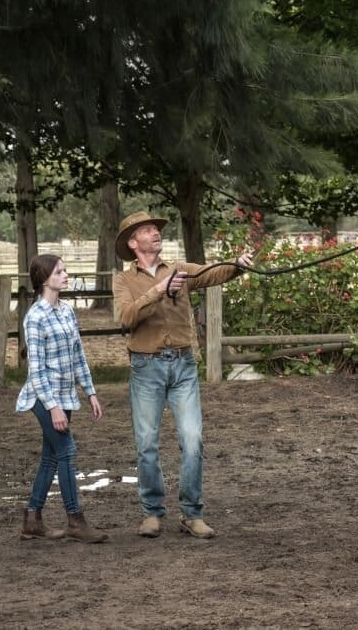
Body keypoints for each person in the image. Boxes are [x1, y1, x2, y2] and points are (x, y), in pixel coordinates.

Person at [112, 211, 253, 539]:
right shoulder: (123, 280)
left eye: (155, 230)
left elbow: (210, 273)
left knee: (193, 440)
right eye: (147, 231)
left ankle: (192, 513)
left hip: (184, 366)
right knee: (147, 443)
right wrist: (159, 289)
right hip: (146, 368)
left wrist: (237, 264)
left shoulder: (180, 269)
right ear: (133, 243)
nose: (155, 234)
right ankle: (151, 513)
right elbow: (126, 318)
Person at [15, 253, 108, 543]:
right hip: (44, 398)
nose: (66, 276)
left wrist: (90, 392)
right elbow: (37, 370)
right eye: (59, 272)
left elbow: (78, 356)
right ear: (44, 279)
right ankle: (75, 521)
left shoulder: (67, 312)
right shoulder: (35, 318)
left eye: (65, 271)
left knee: (51, 457)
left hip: (67, 396)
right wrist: (53, 407)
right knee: (66, 450)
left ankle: (32, 520)